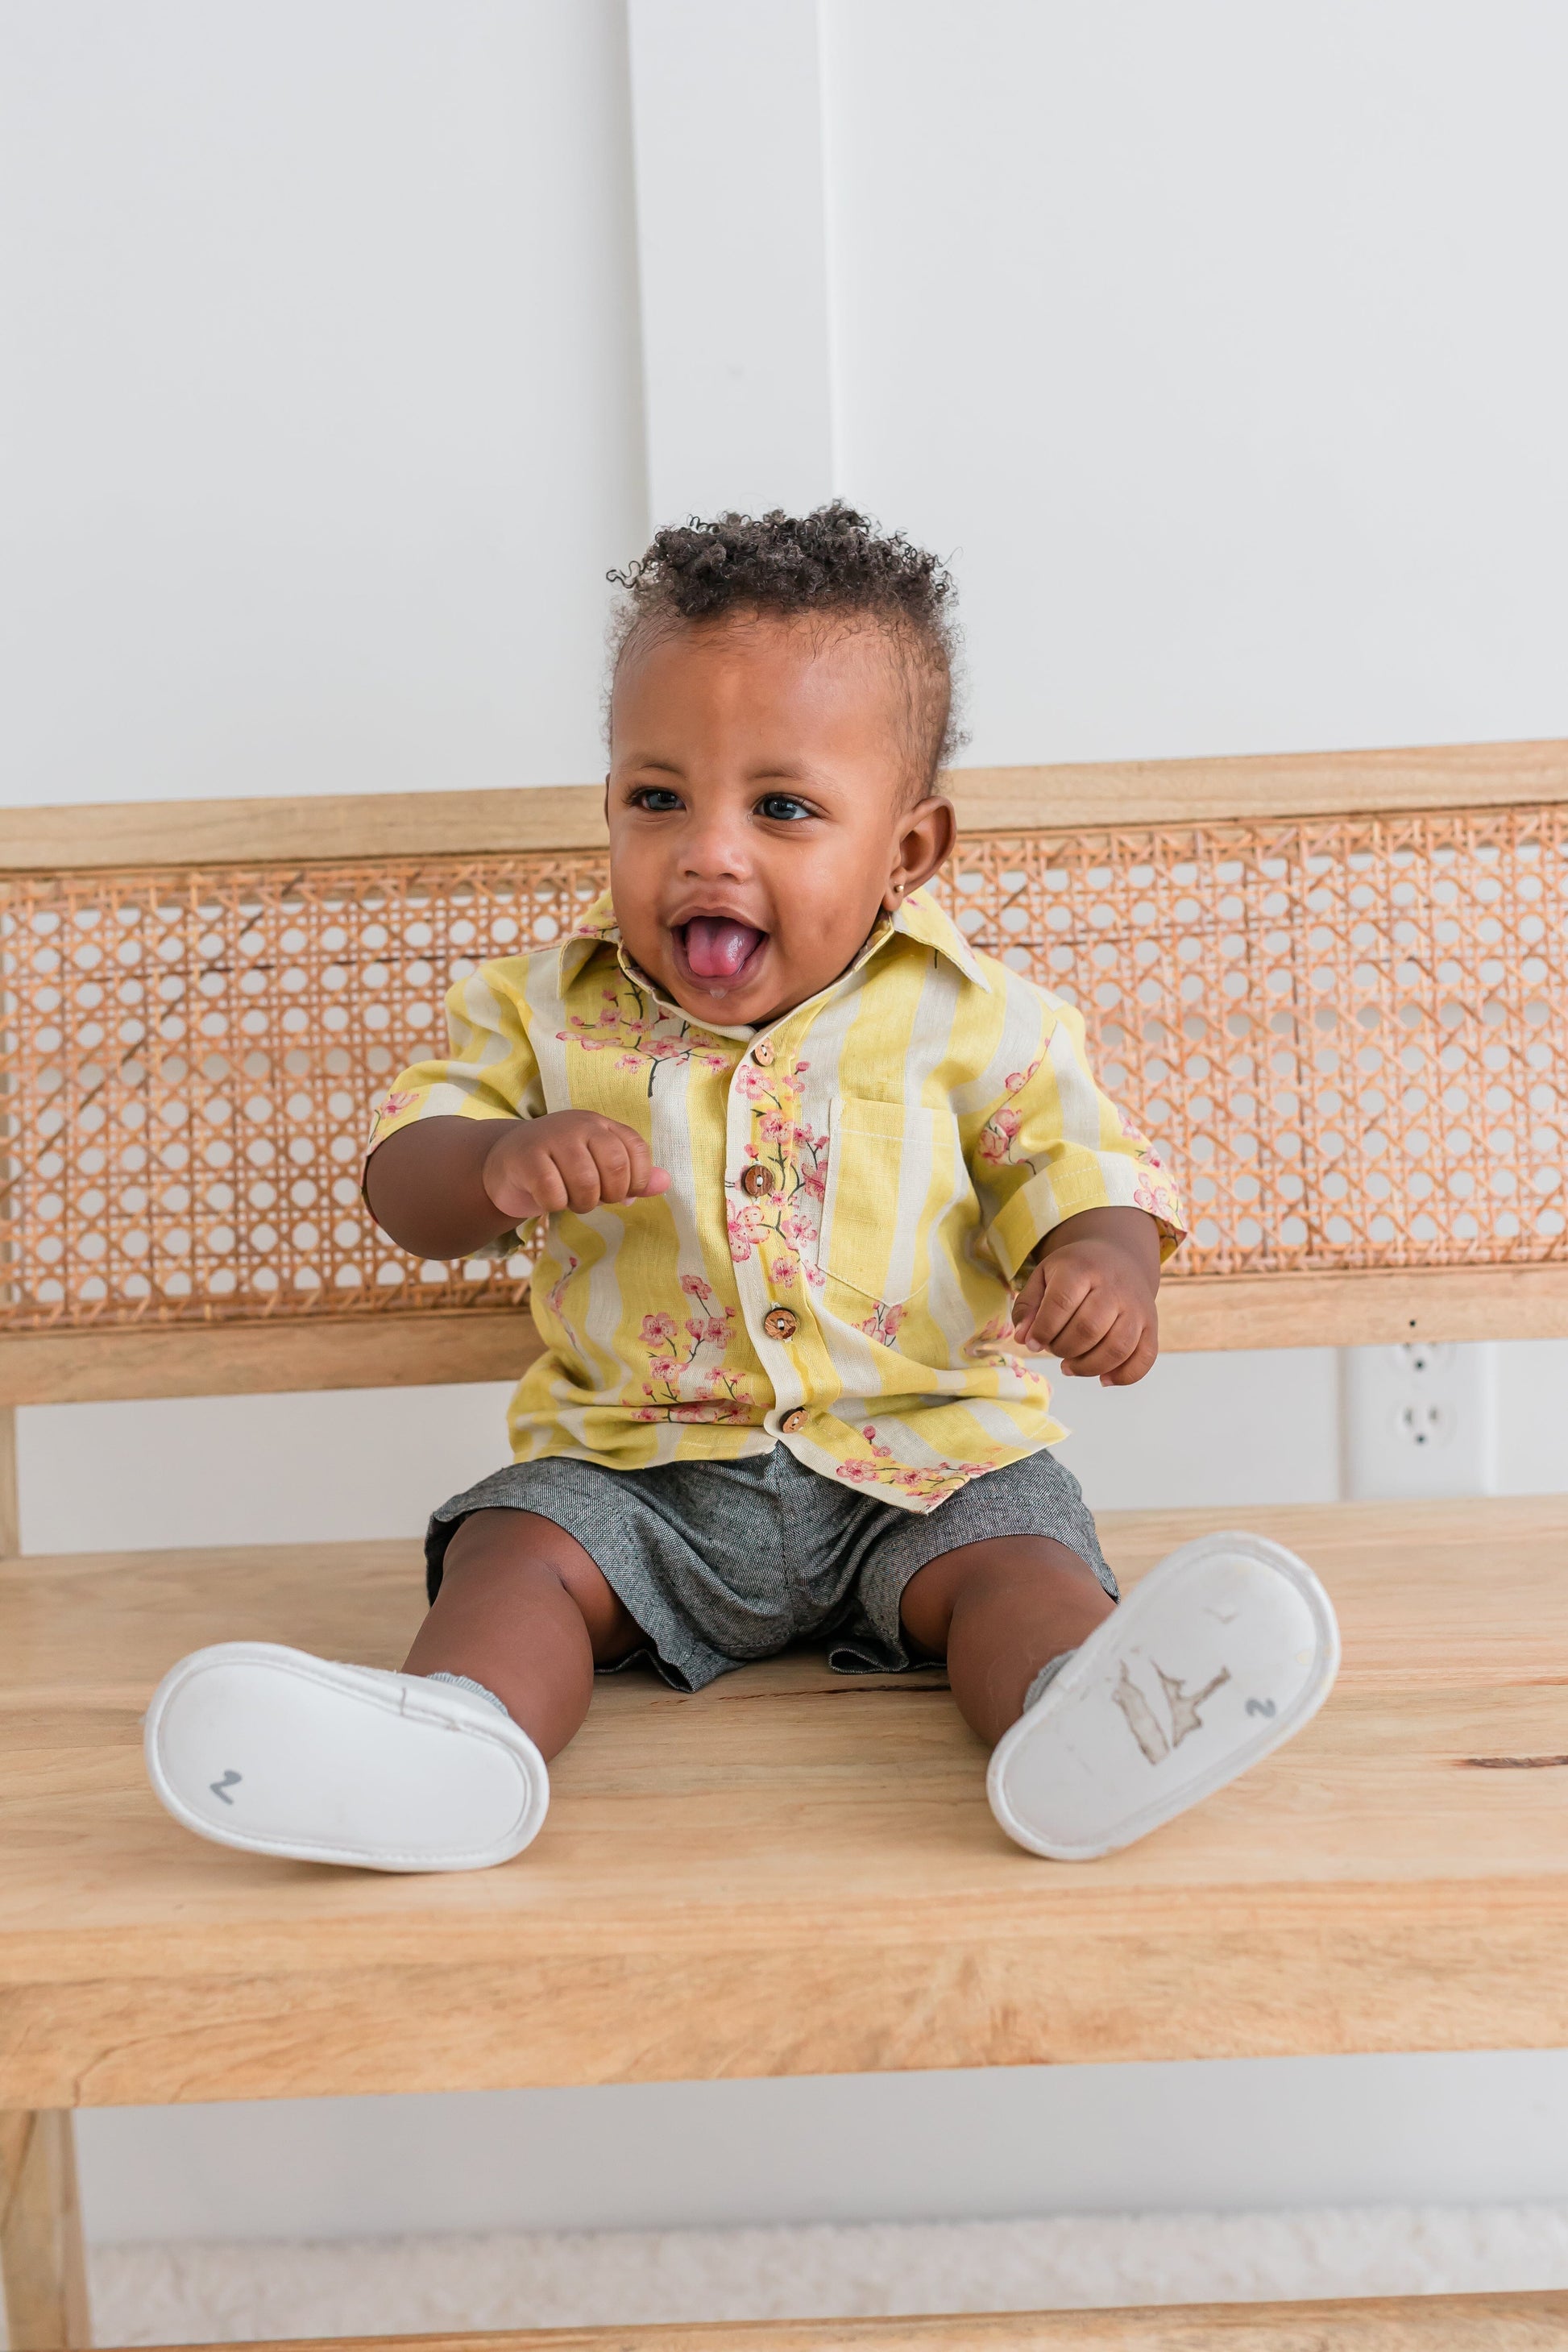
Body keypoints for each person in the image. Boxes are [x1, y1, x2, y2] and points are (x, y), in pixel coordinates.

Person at [144, 505, 1338, 1873]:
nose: (708, 850)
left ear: (907, 851)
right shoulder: (541, 1017)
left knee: (1024, 1560)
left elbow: (1076, 1166)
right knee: (511, 1552)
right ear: (606, 802)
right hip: (636, 1476)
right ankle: (452, 1745)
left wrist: (1106, 1262)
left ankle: (1087, 1718)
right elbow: (409, 1190)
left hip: (925, 1468)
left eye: (781, 808)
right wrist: (487, 1164)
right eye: (658, 798)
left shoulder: (977, 1021)